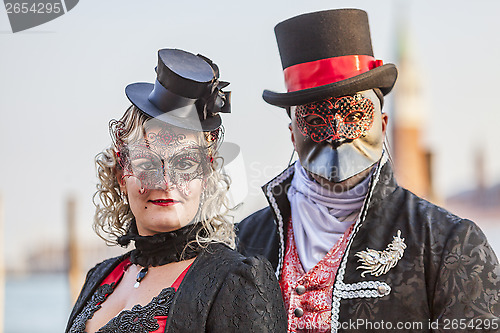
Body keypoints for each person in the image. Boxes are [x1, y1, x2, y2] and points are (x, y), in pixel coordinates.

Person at [237, 9, 500, 332]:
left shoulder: (448, 244)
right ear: (293, 134)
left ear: (383, 125)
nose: (337, 133)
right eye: (316, 120)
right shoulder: (242, 244)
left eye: (353, 115)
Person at [66, 48, 286, 333]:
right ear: (121, 174)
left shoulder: (236, 280)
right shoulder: (100, 276)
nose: (166, 182)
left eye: (184, 163)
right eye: (147, 163)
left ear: (205, 176)